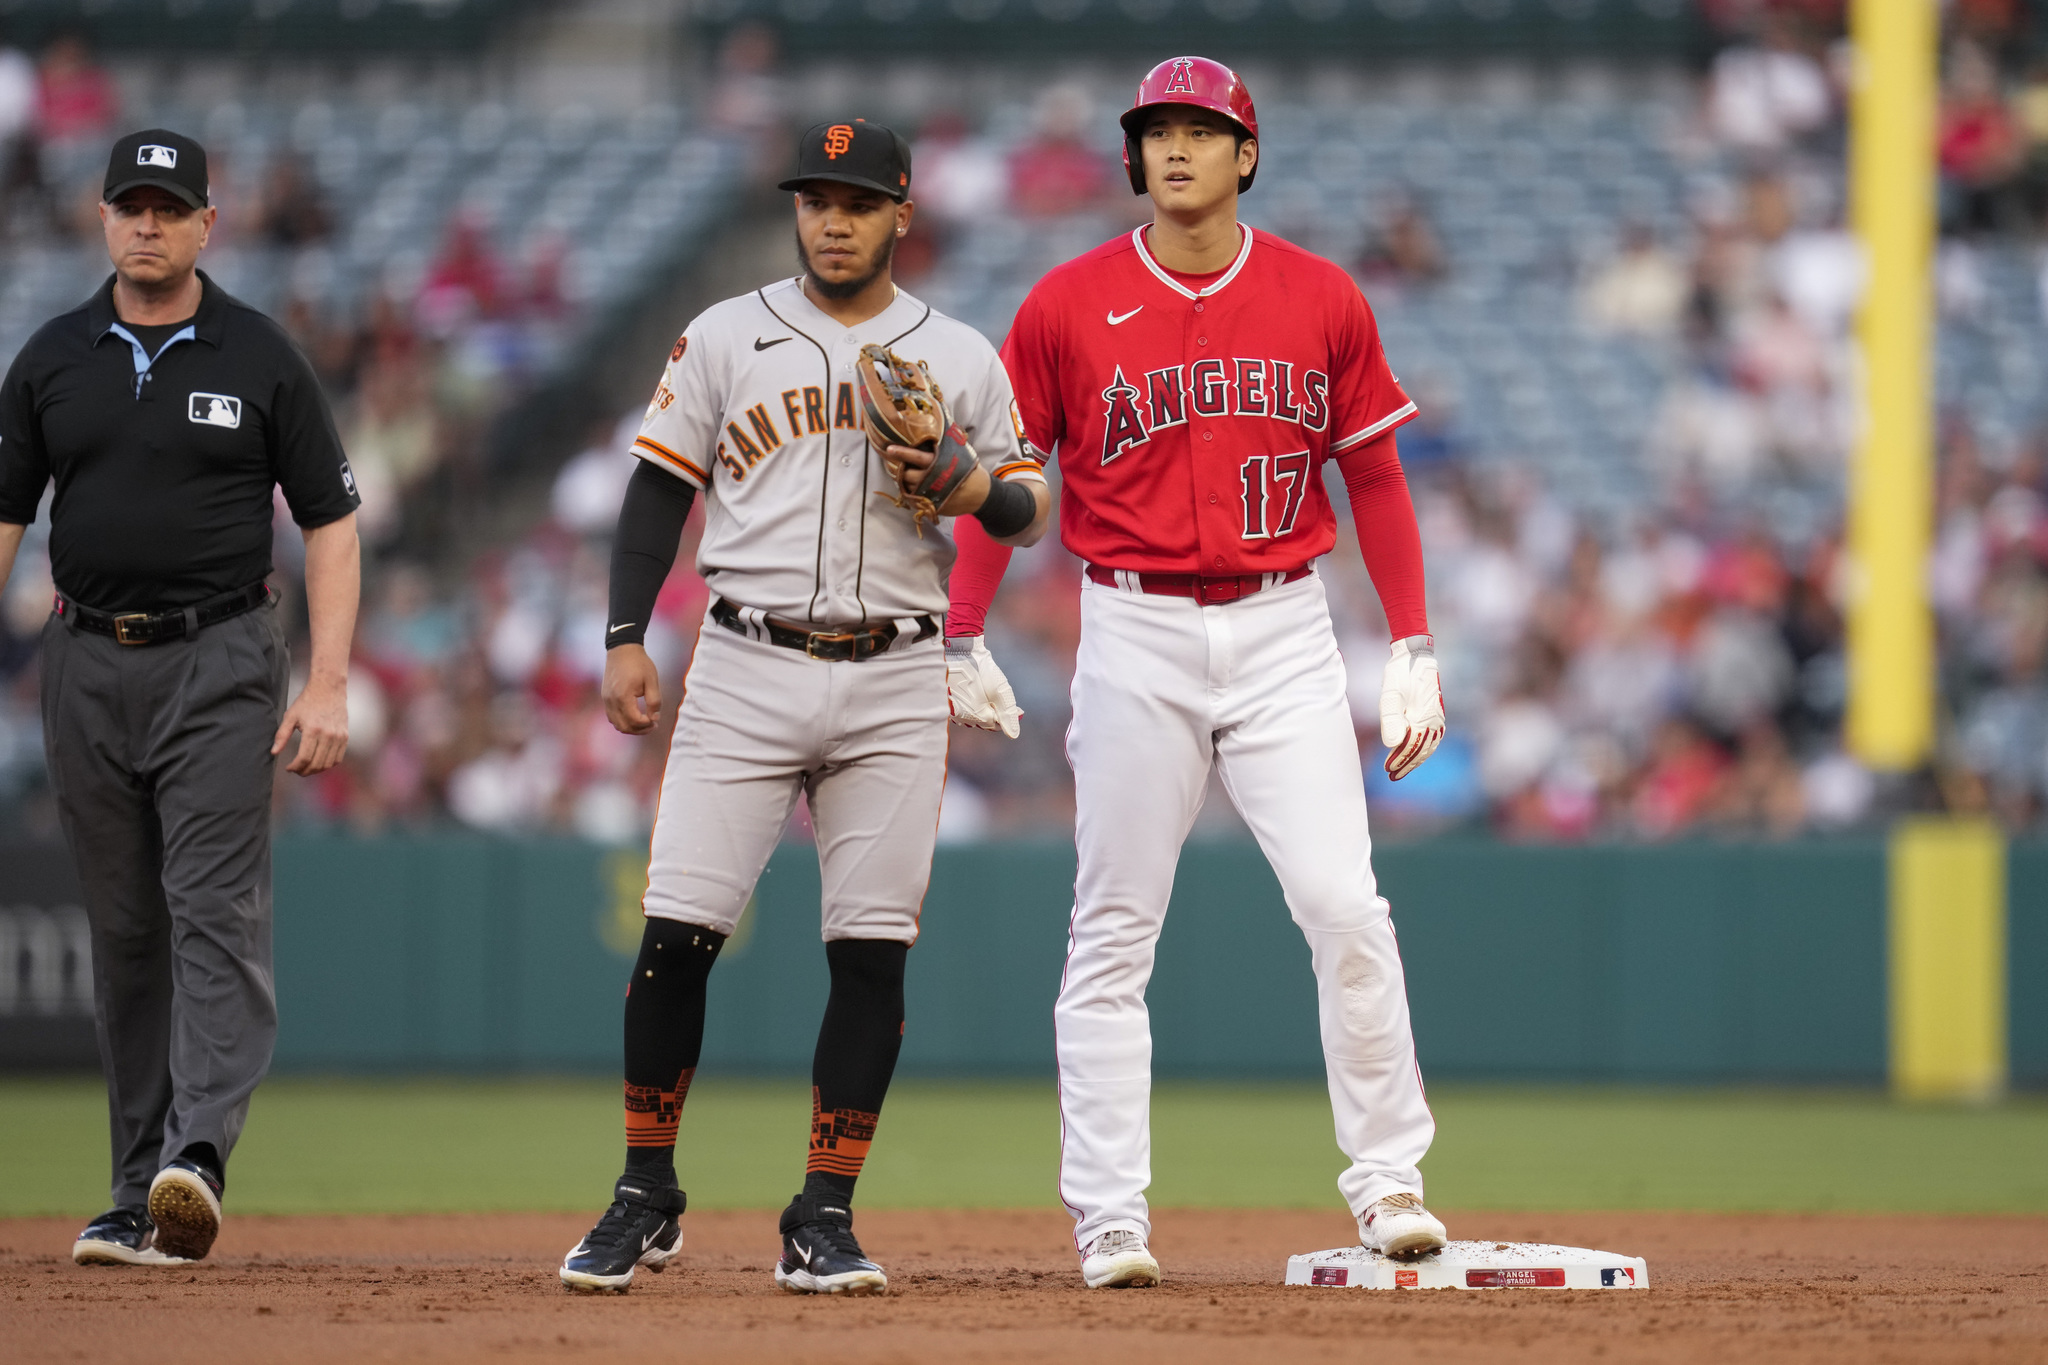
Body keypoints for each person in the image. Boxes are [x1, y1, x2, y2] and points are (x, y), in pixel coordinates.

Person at [947, 57, 1450, 1288]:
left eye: (1200, 129)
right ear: (1131, 157)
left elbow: (1373, 477)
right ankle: (1109, 1215)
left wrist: (1411, 641)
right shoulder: (1064, 303)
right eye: (1155, 130)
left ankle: (1389, 1181)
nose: (1174, 148)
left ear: (1245, 154)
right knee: (1112, 931)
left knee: (1343, 906)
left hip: (1283, 627)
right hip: (1132, 631)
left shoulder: (1319, 295)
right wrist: (959, 628)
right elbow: (1004, 488)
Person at [556, 118, 1049, 1296]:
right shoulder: (728, 333)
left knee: (870, 959)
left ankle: (822, 1212)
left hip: (894, 670)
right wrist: (624, 636)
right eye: (814, 199)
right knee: (676, 935)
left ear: (900, 215)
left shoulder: (959, 353)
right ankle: (644, 1191)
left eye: (857, 200)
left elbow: (1026, 506)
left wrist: (974, 484)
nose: (831, 219)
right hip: (743, 659)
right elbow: (653, 491)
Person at [0, 128, 361, 1266]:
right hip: (85, 660)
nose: (147, 224)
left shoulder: (259, 353)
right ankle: (129, 1185)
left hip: (219, 660)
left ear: (211, 222)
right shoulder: (52, 357)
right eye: (130, 205)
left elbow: (332, 522)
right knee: (123, 931)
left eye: (169, 207)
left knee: (211, 908)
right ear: (102, 219)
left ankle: (195, 1157)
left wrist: (332, 679)